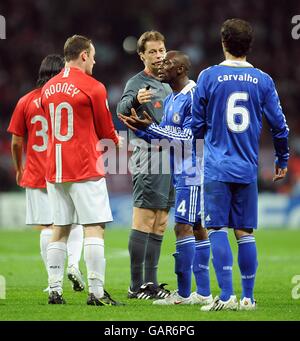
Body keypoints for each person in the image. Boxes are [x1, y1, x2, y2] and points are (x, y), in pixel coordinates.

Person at [191, 18, 289, 311]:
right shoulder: (263, 80)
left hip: (217, 167)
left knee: (217, 228)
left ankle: (226, 297)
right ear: (250, 45)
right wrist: (282, 157)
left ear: (223, 43)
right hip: (247, 168)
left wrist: (206, 130)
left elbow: (196, 124)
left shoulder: (208, 76)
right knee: (245, 232)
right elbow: (280, 127)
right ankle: (247, 298)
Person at [119, 51, 213, 305]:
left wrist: (149, 128)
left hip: (193, 169)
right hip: (179, 169)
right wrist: (143, 128)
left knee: (184, 227)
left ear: (181, 70)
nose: (161, 66)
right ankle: (201, 292)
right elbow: (166, 139)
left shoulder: (193, 96)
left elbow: (189, 138)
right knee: (195, 227)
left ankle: (185, 295)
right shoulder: (172, 99)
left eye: (168, 63)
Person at [41, 35, 122, 305]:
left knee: (60, 228)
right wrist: (117, 140)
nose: (96, 61)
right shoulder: (93, 87)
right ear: (84, 55)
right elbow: (104, 131)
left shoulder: (48, 88)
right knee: (94, 227)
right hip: (85, 167)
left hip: (55, 167)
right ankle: (96, 293)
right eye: (93, 56)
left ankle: (54, 289)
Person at [7, 54, 85, 293]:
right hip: (65, 168)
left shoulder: (25, 101)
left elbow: (16, 142)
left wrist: (19, 167)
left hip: (36, 172)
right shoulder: (67, 99)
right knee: (76, 224)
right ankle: (73, 264)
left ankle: (54, 283)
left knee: (47, 227)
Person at [117, 31, 174, 299]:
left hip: (171, 156)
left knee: (161, 222)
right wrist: (135, 100)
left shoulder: (168, 84)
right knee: (144, 219)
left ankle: (150, 283)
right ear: (142, 55)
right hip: (149, 156)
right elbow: (121, 107)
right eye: (152, 51)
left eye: (161, 49)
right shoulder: (137, 82)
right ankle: (135, 284)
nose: (159, 55)